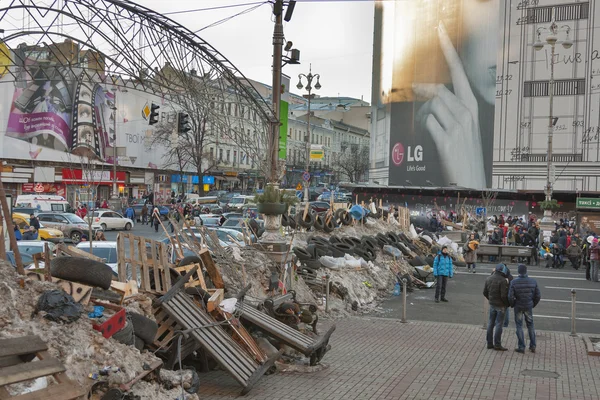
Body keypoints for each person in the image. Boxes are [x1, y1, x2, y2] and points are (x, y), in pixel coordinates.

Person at [508, 264, 541, 353]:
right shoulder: (533, 281)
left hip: (518, 305)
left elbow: (510, 296)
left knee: (519, 325)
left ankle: (521, 346)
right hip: (528, 305)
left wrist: (513, 304)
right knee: (530, 325)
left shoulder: (514, 282)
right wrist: (532, 304)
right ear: (526, 271)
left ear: (518, 271)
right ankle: (533, 345)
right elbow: (538, 295)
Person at [483, 264, 510, 351]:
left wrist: (490, 299)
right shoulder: (503, 280)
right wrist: (507, 304)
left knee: (491, 323)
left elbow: (485, 292)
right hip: (501, 305)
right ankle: (497, 344)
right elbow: (503, 295)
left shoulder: (489, 278)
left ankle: (489, 343)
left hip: (492, 304)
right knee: (499, 324)